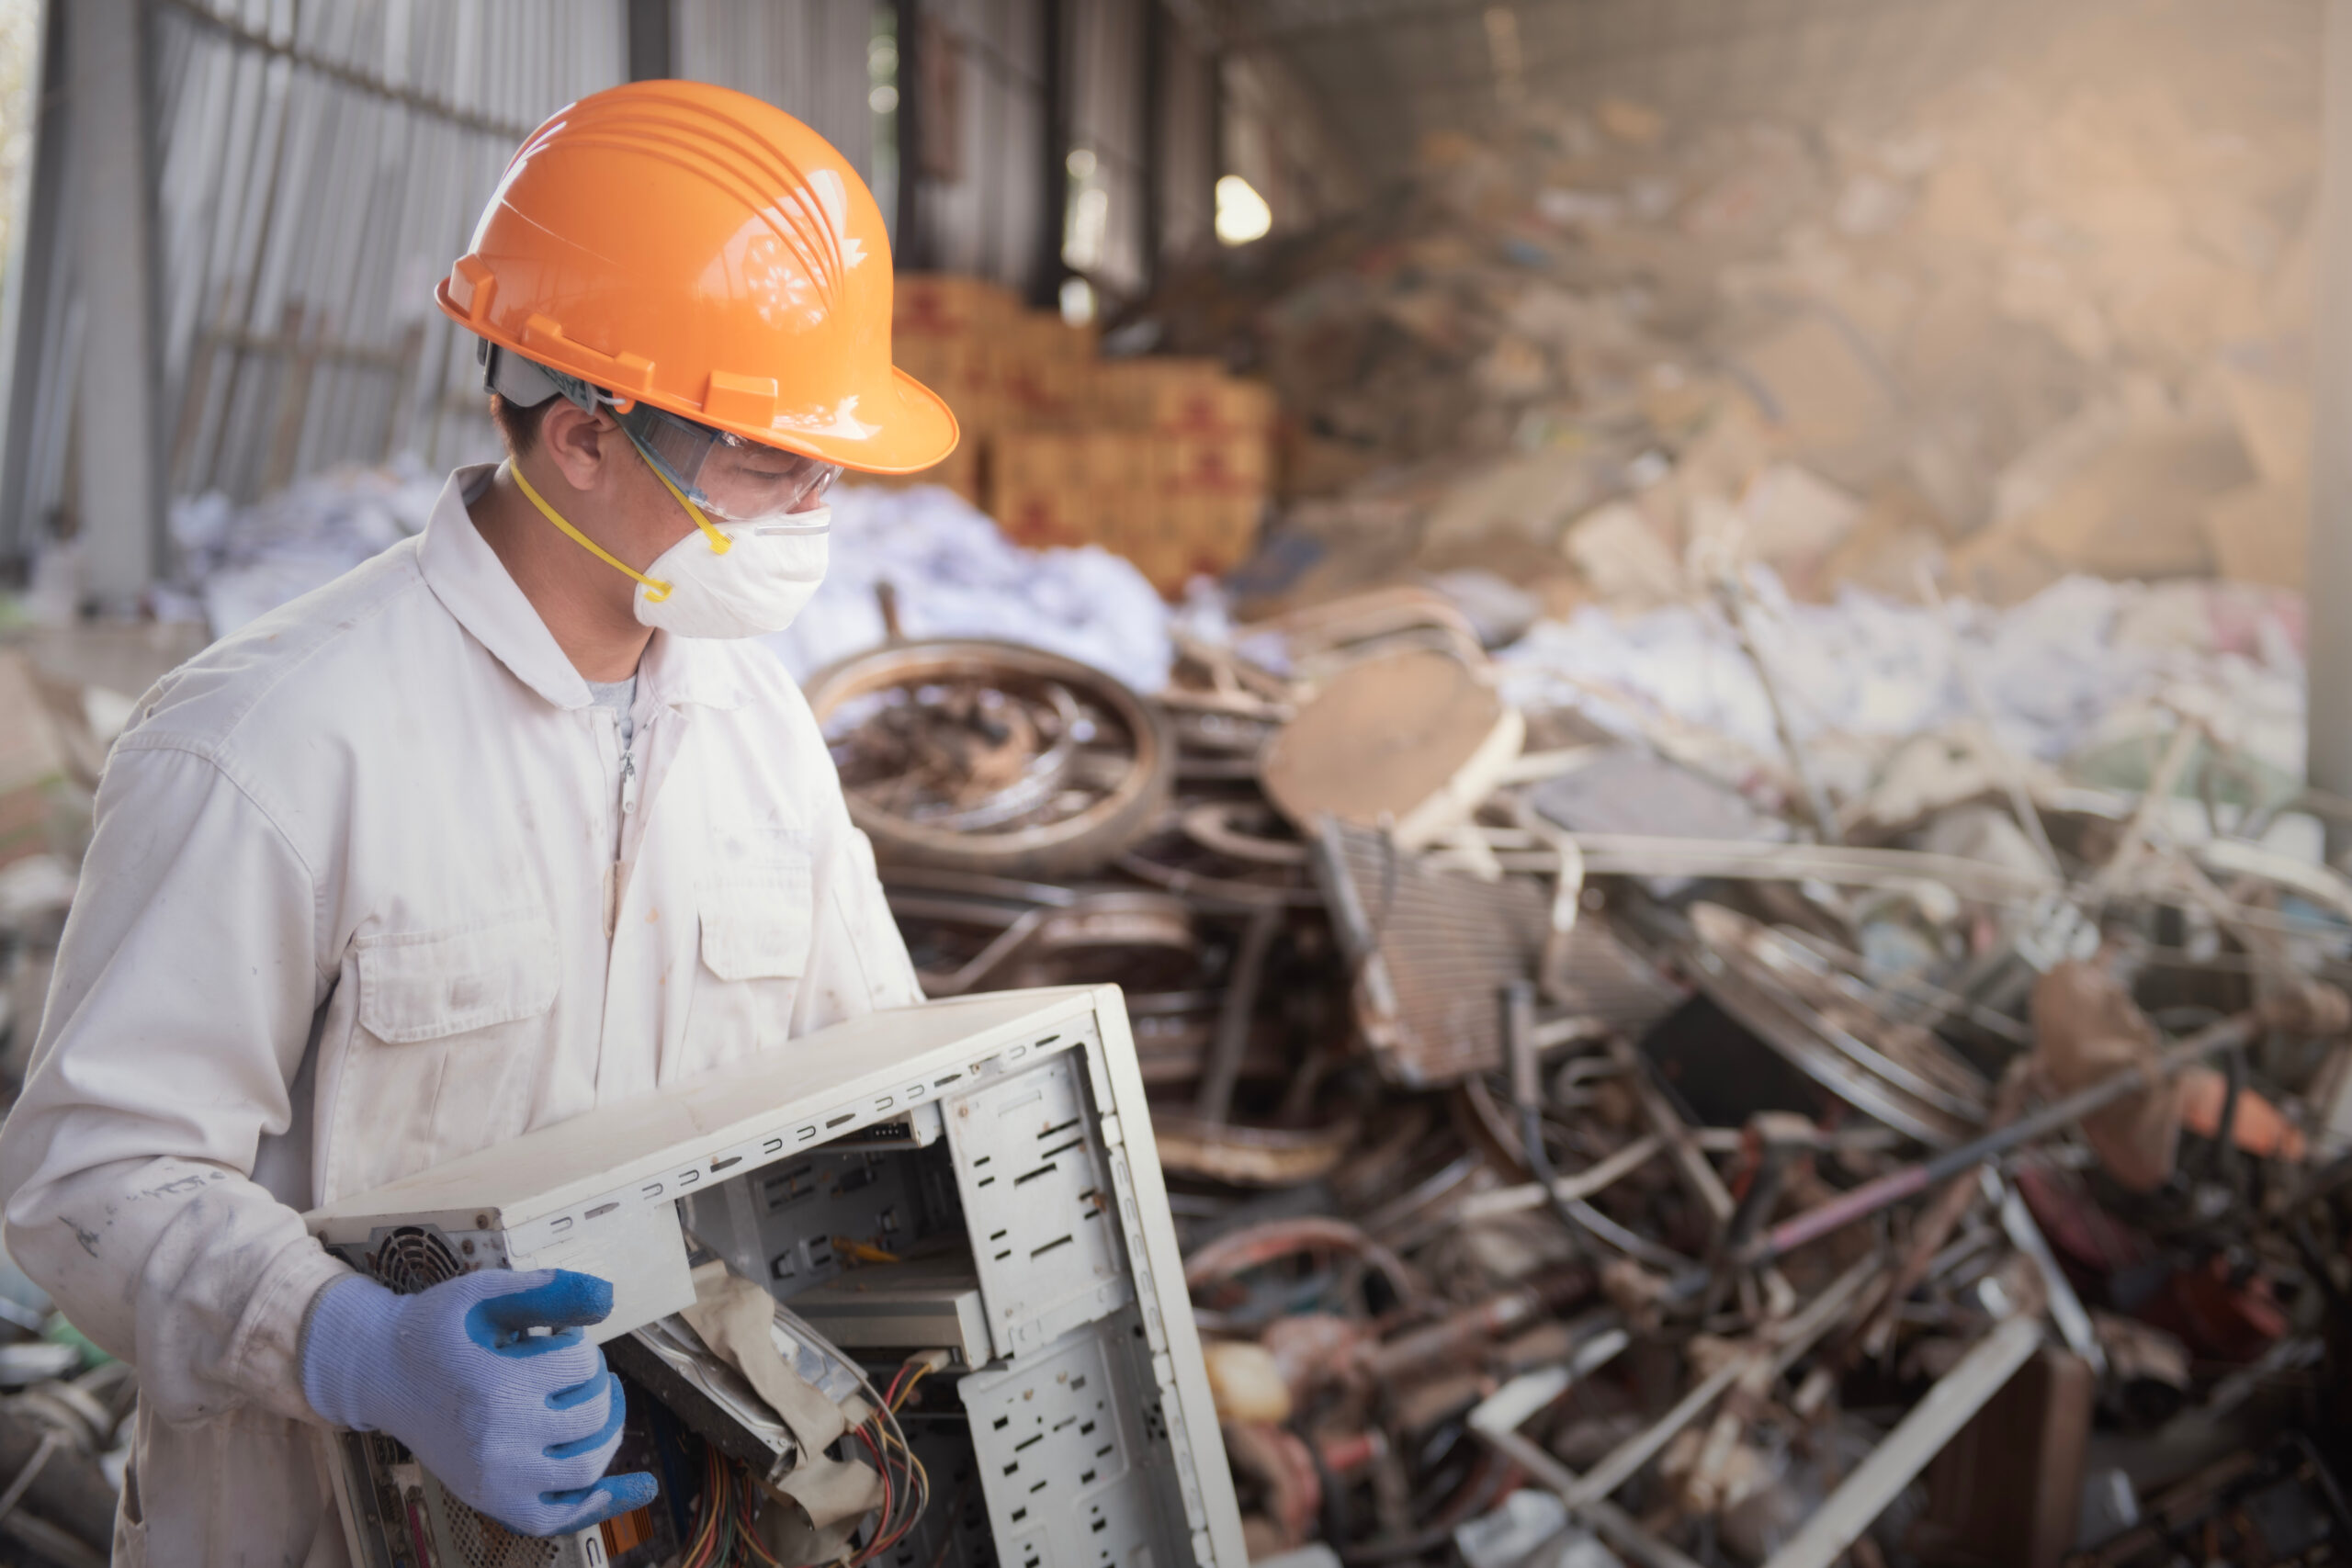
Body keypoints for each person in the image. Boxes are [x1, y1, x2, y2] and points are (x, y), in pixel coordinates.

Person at [0, 80, 957, 1564]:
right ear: (582, 436)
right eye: (771, 460)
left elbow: (871, 1088)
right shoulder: (272, 739)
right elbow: (95, 1183)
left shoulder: (758, 726)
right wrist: (355, 1346)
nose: (815, 505)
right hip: (321, 1529)